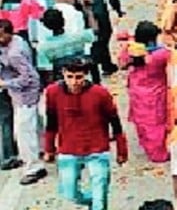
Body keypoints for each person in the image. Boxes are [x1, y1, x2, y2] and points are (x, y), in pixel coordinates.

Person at [43, 58, 129, 208]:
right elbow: (51, 122)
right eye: (70, 77)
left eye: (79, 77)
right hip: (68, 149)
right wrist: (49, 149)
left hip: (97, 149)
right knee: (70, 194)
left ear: (86, 75)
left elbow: (115, 122)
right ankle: (90, 201)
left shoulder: (100, 94)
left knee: (100, 195)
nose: (74, 82)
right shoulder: (52, 92)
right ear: (63, 74)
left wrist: (122, 150)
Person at [0, 18, 46, 185]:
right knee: (36, 125)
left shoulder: (14, 54)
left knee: (23, 132)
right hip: (25, 93)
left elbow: (28, 77)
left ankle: (33, 167)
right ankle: (44, 149)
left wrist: (5, 84)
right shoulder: (18, 40)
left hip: (24, 94)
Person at [123, 20, 171, 163]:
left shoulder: (130, 50)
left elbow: (122, 64)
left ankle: (145, 145)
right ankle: (158, 153)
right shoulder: (161, 54)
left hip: (136, 89)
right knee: (156, 122)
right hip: (156, 91)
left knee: (142, 121)